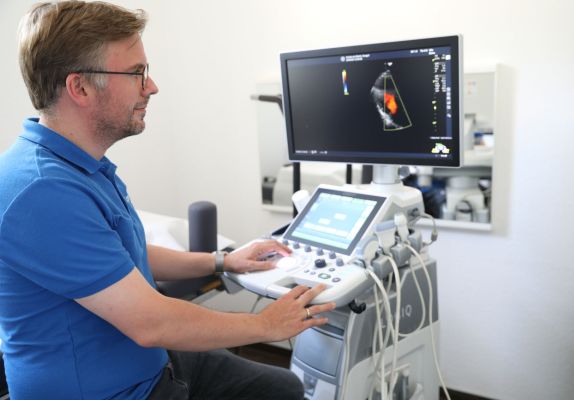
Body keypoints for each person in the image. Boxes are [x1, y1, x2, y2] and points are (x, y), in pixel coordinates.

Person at [0, 1, 336, 399]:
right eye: (136, 73)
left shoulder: (80, 165)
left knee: (282, 387)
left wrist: (222, 261)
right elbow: (150, 324)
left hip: (149, 363)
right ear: (80, 88)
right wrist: (267, 325)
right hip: (116, 392)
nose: (152, 86)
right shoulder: (41, 191)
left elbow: (122, 256)